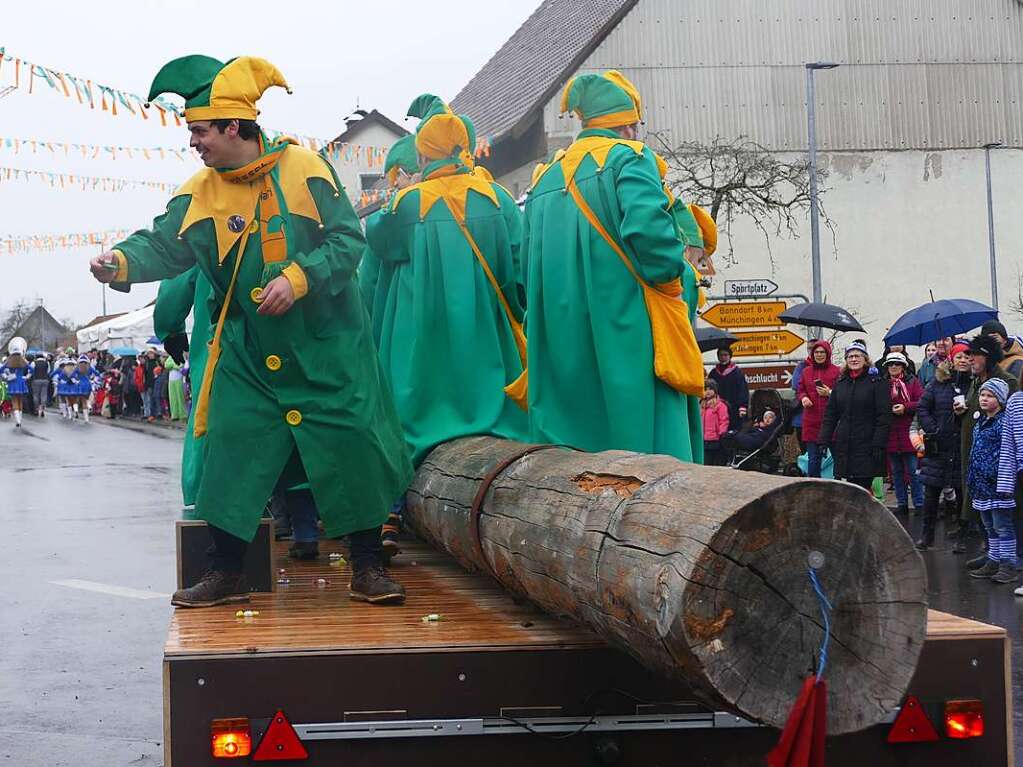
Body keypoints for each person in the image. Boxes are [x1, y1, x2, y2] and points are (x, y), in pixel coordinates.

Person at [89, 54, 412, 608]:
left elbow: (346, 242)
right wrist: (119, 261)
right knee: (233, 450)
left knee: (351, 443)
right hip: (248, 350)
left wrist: (299, 277)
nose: (194, 143)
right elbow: (165, 244)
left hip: (326, 347)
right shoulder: (199, 192)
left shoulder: (306, 169)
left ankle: (366, 566)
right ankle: (226, 571)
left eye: (200, 131)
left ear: (234, 128)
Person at [520, 70, 702, 460]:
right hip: (628, 330)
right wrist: (681, 276)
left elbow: (525, 266)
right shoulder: (630, 159)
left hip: (560, 337)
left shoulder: (545, 178)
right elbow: (654, 243)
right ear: (628, 125)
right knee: (645, 455)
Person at [364, 94, 527, 466]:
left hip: (421, 339)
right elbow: (519, 273)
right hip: (486, 336)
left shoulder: (405, 205)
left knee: (414, 412)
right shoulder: (497, 198)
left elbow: (376, 242)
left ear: (422, 156)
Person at [954, 334, 1018, 552]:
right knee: (981, 511)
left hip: (996, 460)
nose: (970, 358)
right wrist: (960, 413)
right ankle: (991, 553)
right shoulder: (975, 382)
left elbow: (1010, 420)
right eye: (969, 354)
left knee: (1001, 516)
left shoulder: (1007, 382)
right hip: (976, 459)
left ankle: (1008, 558)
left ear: (988, 357)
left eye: (975, 354)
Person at [915, 342, 970, 548]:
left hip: (960, 446)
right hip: (938, 446)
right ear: (952, 361)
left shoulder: (973, 383)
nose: (963, 360)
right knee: (932, 492)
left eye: (967, 356)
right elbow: (922, 408)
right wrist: (933, 429)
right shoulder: (938, 384)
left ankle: (962, 536)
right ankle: (926, 535)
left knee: (962, 492)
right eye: (959, 357)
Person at [818, 340, 892, 490]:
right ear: (846, 360)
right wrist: (823, 439)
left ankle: (864, 513)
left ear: (865, 359)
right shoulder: (841, 384)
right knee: (851, 487)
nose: (854, 359)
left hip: (868, 444)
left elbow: (884, 416)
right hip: (845, 444)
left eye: (858, 356)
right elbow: (831, 414)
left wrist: (879, 443)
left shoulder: (877, 383)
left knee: (862, 487)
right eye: (850, 356)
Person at [963, 378, 1017, 584]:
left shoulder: (1003, 423)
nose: (984, 399)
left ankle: (1008, 563)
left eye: (990, 396)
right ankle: (993, 559)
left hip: (997, 482)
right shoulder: (981, 422)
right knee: (988, 525)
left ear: (1001, 400)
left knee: (1002, 525)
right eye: (982, 395)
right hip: (981, 483)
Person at [883, 351, 925, 515]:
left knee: (914, 472)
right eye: (891, 364)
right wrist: (890, 409)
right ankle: (901, 503)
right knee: (896, 473)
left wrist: (905, 407)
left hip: (910, 433)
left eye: (897, 364)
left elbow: (921, 402)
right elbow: (878, 404)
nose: (894, 367)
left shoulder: (912, 382)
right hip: (891, 434)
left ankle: (919, 504)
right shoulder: (883, 384)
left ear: (903, 366)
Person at [797, 340, 841, 478]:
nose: (819, 355)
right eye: (816, 352)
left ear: (828, 353)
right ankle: (814, 488)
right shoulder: (806, 371)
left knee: (837, 458)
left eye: (822, 352)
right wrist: (804, 398)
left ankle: (838, 486)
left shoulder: (837, 371)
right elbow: (800, 389)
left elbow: (843, 393)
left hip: (832, 421)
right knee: (814, 459)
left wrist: (829, 393)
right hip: (812, 421)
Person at [709, 346, 750, 432]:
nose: (723, 357)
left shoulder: (737, 372)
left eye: (725, 355)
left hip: (734, 408)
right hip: (717, 407)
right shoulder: (714, 373)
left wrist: (742, 406)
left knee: (733, 432)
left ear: (730, 356)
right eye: (721, 355)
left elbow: (742, 390)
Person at [0, 337, 30, 428]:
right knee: (20, 400)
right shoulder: (23, 361)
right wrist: (27, 376)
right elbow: (32, 369)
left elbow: (1, 369)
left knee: (14, 401)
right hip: (21, 382)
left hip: (13, 382)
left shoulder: (9, 361)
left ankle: (18, 421)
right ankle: (20, 419)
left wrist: (5, 376)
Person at [701, 381, 729, 466]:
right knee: (706, 463)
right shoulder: (702, 405)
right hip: (704, 439)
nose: (708, 391)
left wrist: (721, 433)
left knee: (716, 463)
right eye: (706, 389)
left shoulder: (720, 405)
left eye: (710, 389)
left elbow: (724, 420)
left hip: (716, 439)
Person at [166, 354, 186, 421]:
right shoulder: (170, 357)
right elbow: (166, 365)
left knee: (180, 397)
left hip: (179, 379)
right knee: (173, 398)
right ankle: (174, 415)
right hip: (171, 380)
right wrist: (174, 365)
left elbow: (181, 365)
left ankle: (182, 415)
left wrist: (173, 365)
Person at [29, 352, 49, 417]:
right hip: (45, 379)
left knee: (36, 395)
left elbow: (31, 371)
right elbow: (48, 371)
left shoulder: (33, 363)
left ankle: (36, 409)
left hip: (36, 379)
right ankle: (43, 409)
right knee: (44, 395)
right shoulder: (47, 363)